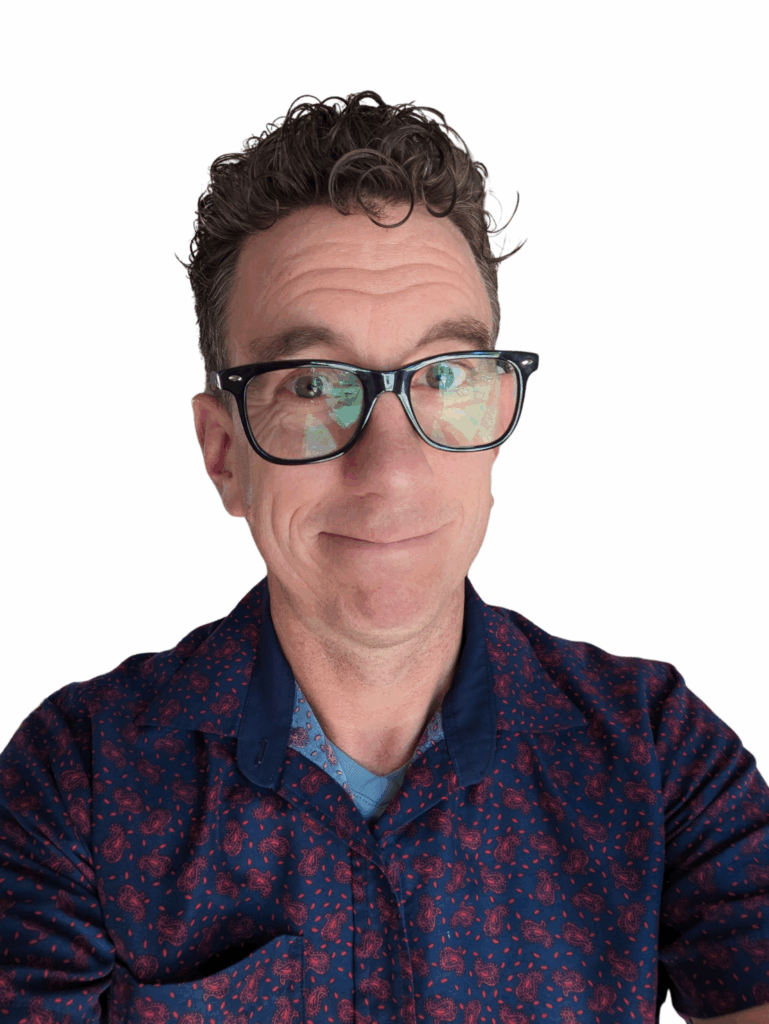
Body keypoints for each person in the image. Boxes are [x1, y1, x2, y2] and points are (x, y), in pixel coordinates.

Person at [0, 92, 767, 1024]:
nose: (392, 471)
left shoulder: (654, 752)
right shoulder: (78, 780)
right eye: (312, 386)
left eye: (442, 376)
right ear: (224, 454)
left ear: (496, 415)